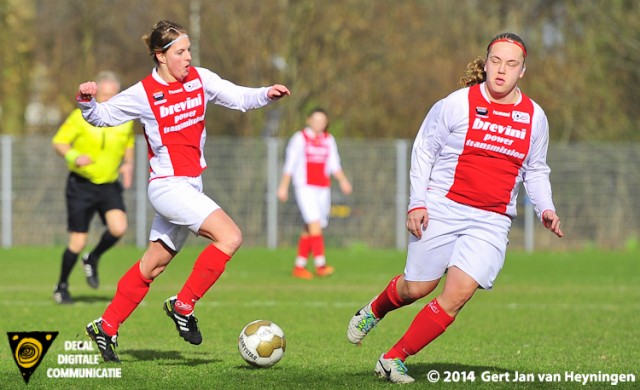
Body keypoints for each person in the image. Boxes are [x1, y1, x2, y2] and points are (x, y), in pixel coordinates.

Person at [346, 32, 564, 384]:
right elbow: (424, 151)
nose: (501, 70)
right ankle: (374, 309)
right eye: (495, 61)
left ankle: (393, 358)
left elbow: (536, 168)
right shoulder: (456, 104)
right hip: (443, 207)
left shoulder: (534, 117)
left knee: (458, 294)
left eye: (511, 64)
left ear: (523, 70)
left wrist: (545, 209)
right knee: (417, 288)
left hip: (492, 220)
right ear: (486, 61)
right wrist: (417, 202)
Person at [78, 20, 290, 363]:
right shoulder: (143, 93)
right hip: (167, 186)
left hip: (190, 185)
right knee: (230, 237)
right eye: (180, 52)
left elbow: (237, 97)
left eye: (189, 50)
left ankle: (106, 326)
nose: (188, 57)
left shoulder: (200, 79)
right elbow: (101, 117)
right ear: (161, 56)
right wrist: (87, 102)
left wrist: (266, 93)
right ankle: (183, 305)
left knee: (152, 266)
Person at [52, 71, 135, 304]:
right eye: (104, 94)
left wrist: (128, 164)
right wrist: (74, 155)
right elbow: (59, 142)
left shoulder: (124, 118)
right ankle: (61, 287)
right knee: (78, 241)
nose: (108, 99)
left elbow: (129, 142)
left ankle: (93, 258)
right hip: (81, 185)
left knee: (118, 228)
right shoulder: (80, 116)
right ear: (96, 93)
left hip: (109, 184)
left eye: (113, 94)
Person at [277, 108, 352, 279]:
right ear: (308, 120)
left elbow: (334, 163)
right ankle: (321, 265)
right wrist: (283, 186)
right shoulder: (299, 138)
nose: (319, 123)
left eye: (322, 121)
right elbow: (290, 164)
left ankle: (299, 266)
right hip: (304, 186)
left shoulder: (328, 139)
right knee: (314, 223)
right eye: (316, 120)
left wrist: (343, 180)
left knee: (311, 226)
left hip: (323, 187)